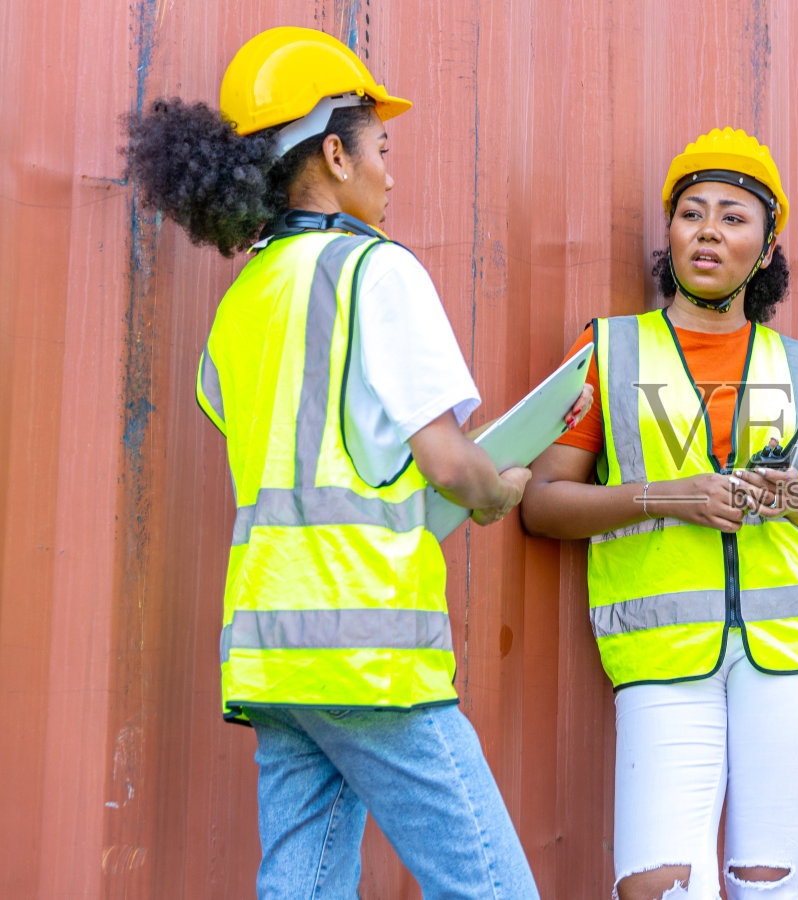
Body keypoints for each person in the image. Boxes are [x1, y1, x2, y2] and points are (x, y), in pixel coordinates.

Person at [124, 26, 589, 899]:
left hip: (273, 650)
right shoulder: (376, 272)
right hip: (366, 642)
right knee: (490, 886)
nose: (390, 167)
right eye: (381, 145)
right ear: (335, 154)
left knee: (300, 888)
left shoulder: (246, 298)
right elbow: (450, 464)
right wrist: (502, 489)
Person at [519, 128, 798, 900]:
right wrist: (667, 497)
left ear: (768, 244)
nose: (709, 230)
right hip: (661, 654)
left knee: (767, 884)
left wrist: (793, 497)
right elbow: (541, 504)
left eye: (733, 216)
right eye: (692, 213)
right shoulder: (608, 350)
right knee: (659, 888)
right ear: (670, 234)